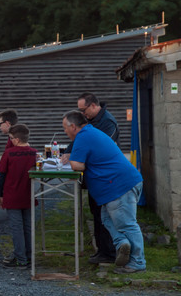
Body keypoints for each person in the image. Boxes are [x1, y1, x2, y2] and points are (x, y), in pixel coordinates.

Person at [62, 110, 146, 274]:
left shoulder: (83, 136)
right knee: (107, 220)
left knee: (127, 224)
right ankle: (122, 243)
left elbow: (77, 165)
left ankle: (138, 262)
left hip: (119, 185)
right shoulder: (89, 132)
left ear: (73, 126)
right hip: (118, 183)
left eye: (65, 128)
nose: (65, 131)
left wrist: (72, 159)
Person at [63, 92, 119, 265]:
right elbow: (79, 139)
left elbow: (99, 148)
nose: (82, 114)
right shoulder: (90, 121)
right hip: (94, 176)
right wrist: (68, 152)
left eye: (83, 110)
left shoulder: (107, 123)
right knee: (96, 214)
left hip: (104, 176)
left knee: (105, 216)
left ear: (93, 105)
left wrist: (78, 157)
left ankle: (110, 252)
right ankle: (102, 250)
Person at [0, 124, 37, 269]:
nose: (10, 141)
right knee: (28, 227)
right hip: (28, 195)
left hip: (12, 196)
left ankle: (21, 259)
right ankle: (29, 256)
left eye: (11, 138)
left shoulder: (9, 153)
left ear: (17, 139)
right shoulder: (34, 153)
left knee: (16, 228)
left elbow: (1, 175)